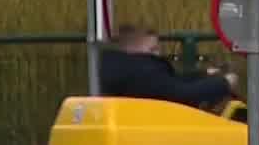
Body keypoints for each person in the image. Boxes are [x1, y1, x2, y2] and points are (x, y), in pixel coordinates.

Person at [99, 25, 237, 109]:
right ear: (132, 50)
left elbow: (171, 82)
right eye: (153, 50)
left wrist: (204, 73)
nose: (158, 54)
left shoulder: (120, 71)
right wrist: (224, 83)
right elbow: (183, 95)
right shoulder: (144, 72)